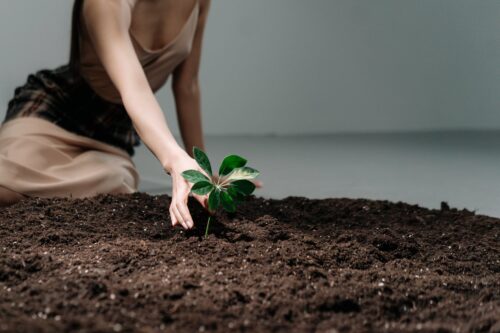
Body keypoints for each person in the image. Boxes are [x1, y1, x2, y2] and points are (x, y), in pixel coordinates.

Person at [0, 0, 261, 229]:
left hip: (111, 133)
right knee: (8, 181)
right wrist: (175, 161)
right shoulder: (103, 3)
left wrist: (202, 173)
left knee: (117, 183)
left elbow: (187, 85)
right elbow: (134, 89)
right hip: (53, 114)